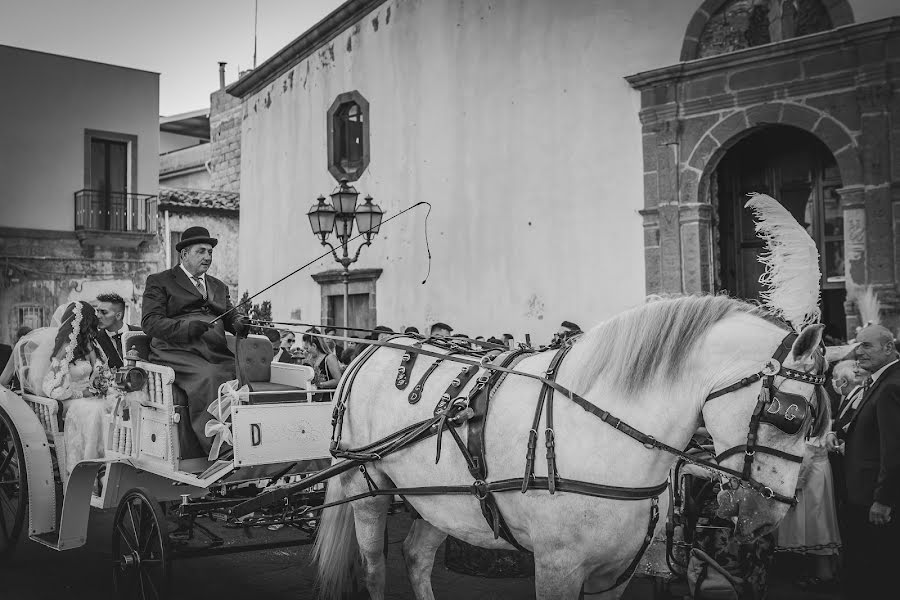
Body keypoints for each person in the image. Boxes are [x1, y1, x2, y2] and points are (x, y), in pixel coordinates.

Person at [141, 226, 247, 454]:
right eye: (201, 251)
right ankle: (219, 449)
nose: (208, 257)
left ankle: (246, 440)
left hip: (213, 350)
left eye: (210, 252)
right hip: (176, 350)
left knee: (242, 375)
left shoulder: (219, 286)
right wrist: (187, 328)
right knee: (209, 377)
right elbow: (150, 323)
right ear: (184, 254)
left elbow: (229, 316)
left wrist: (239, 321)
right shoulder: (160, 281)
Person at [2, 302, 116, 477]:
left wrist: (103, 385)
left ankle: (113, 465)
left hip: (89, 396)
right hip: (65, 401)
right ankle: (91, 471)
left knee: (115, 404)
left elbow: (101, 372)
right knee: (95, 409)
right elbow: (53, 389)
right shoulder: (63, 349)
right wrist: (82, 393)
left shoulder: (89, 345)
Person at [832, 325, 900, 598]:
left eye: (867, 346)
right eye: (858, 346)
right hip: (860, 492)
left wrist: (883, 499)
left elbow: (894, 450)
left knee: (877, 572)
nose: (858, 352)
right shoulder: (878, 381)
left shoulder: (891, 386)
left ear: (888, 347)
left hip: (873, 497)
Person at [95, 292, 141, 369]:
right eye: (97, 311)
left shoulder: (140, 333)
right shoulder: (95, 339)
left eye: (104, 312)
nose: (98, 316)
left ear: (118, 316)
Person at [301, 330, 343, 402]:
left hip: (328, 399)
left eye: (307, 348)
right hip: (312, 399)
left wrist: (320, 384)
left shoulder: (329, 358)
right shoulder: (308, 358)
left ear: (314, 346)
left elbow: (338, 380)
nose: (305, 351)